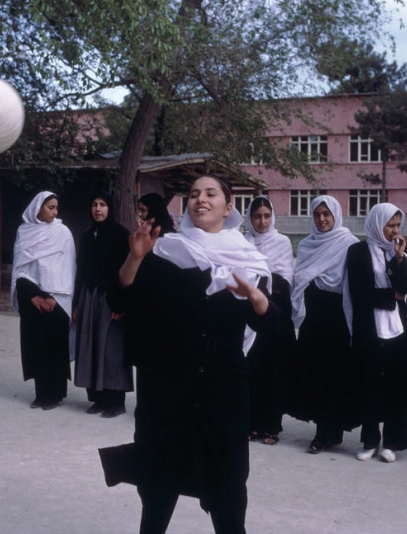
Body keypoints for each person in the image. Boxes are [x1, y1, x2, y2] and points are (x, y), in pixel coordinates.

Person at [100, 175, 278, 534]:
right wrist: (134, 259)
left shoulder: (249, 261)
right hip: (168, 387)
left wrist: (258, 300)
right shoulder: (166, 251)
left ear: (229, 207)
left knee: (227, 490)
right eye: (194, 194)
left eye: (211, 194)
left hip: (222, 390)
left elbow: (274, 332)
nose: (201, 200)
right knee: (158, 487)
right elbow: (120, 302)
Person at [346, 202, 407, 463]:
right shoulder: (357, 251)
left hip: (398, 328)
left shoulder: (402, 251)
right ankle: (370, 440)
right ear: (378, 224)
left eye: (398, 225)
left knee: (396, 386)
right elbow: (360, 292)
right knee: (370, 385)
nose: (394, 231)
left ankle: (392, 442)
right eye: (390, 225)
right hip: (368, 328)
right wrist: (392, 295)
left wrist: (399, 257)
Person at [287, 195, 360, 453]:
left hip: (338, 316)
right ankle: (322, 432)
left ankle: (331, 432)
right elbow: (300, 279)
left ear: (336, 215)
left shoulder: (348, 243)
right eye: (317, 214)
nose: (322, 219)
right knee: (316, 374)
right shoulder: (307, 244)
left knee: (336, 375)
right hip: (314, 316)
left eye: (326, 214)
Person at [11, 192, 76, 411]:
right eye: (50, 207)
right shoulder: (24, 231)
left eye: (56, 207)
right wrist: (32, 295)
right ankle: (41, 394)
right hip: (32, 298)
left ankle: (54, 394)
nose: (55, 212)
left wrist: (54, 298)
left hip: (57, 299)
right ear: (38, 208)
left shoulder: (63, 232)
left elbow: (68, 267)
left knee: (54, 348)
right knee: (36, 345)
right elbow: (19, 271)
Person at [73, 191, 132, 418]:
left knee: (112, 349)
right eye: (95, 205)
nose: (98, 209)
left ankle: (116, 401)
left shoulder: (121, 235)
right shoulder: (87, 237)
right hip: (89, 295)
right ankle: (98, 398)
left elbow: (127, 272)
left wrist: (122, 304)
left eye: (103, 205)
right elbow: (80, 270)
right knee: (91, 344)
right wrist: (78, 302)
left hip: (112, 297)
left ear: (110, 209)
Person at [243, 196, 295, 445]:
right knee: (252, 369)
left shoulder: (281, 241)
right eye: (256, 216)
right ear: (249, 218)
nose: (262, 221)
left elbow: (284, 278)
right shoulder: (243, 242)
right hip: (249, 316)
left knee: (273, 371)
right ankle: (252, 423)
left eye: (266, 216)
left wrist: (261, 281)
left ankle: (272, 426)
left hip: (275, 314)